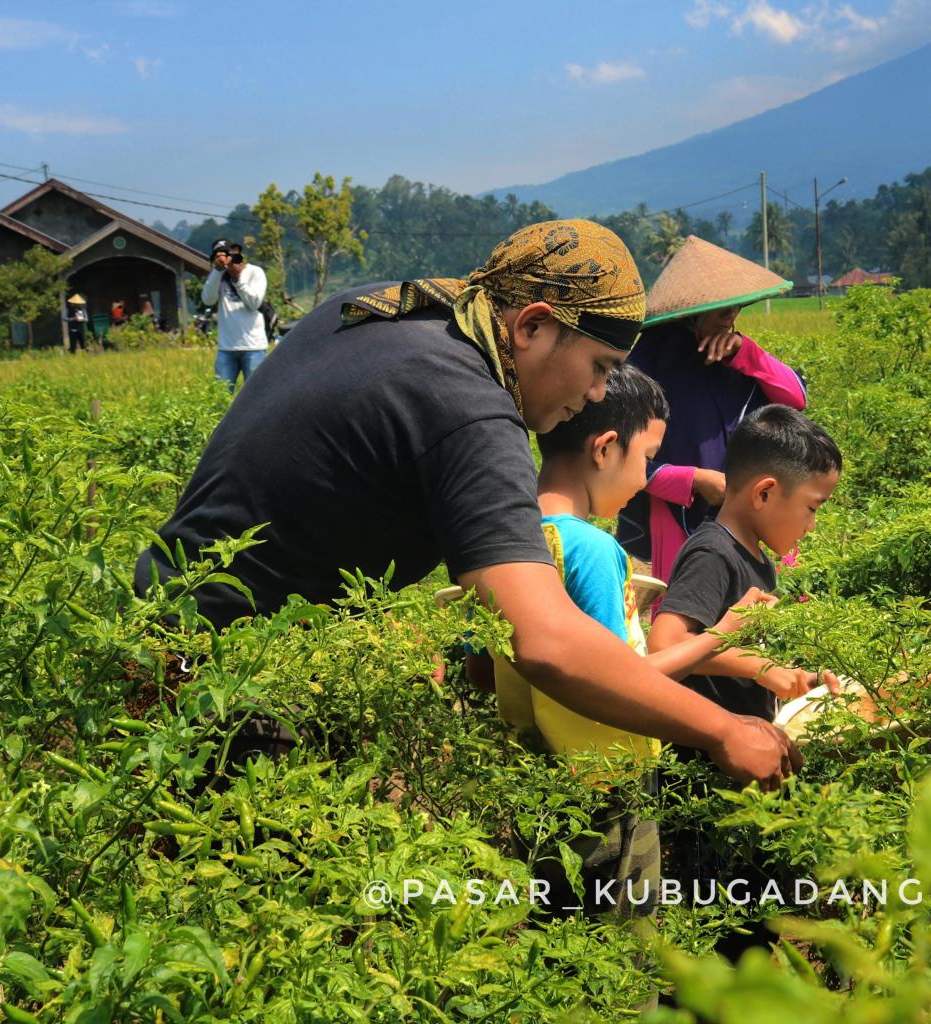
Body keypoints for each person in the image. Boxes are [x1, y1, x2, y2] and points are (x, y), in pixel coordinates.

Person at [134, 219, 797, 791]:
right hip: (225, 677)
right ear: (532, 326)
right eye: (598, 367)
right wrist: (723, 730)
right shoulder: (468, 404)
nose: (599, 394)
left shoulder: (392, 312)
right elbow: (544, 642)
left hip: (159, 630)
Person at [470, 363, 777, 916]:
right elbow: (621, 683)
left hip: (534, 781)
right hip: (606, 790)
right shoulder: (590, 548)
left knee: (556, 935)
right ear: (605, 448)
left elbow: (481, 670)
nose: (644, 478)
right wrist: (723, 633)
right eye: (647, 458)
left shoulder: (501, 542)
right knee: (622, 946)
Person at [617, 236, 808, 585]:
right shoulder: (645, 369)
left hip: (749, 508)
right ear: (690, 313)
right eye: (721, 309)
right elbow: (620, 459)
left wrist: (746, 353)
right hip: (674, 512)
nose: (731, 316)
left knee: (759, 601)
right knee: (686, 597)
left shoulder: (736, 357)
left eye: (735, 307)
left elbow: (796, 398)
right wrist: (693, 479)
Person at [649, 404, 842, 729]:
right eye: (811, 508)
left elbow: (733, 663)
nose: (811, 526)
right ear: (764, 493)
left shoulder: (757, 561)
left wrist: (795, 679)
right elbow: (664, 644)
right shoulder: (713, 553)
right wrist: (761, 668)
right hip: (703, 751)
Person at [202, 238, 269, 391]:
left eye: (227, 254)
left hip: (253, 347)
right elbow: (208, 300)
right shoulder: (218, 275)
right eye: (218, 256)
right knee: (221, 396)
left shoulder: (255, 272)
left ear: (237, 252)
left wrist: (237, 279)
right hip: (226, 348)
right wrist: (217, 270)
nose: (225, 259)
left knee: (255, 395)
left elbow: (254, 303)